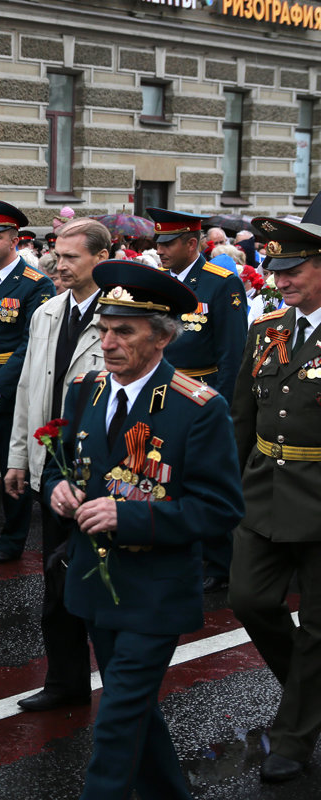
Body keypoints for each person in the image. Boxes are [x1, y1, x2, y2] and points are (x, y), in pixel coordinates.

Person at [46, 260, 243, 800]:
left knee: (115, 723)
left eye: (124, 331)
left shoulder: (197, 408)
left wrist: (127, 515)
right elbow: (59, 465)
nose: (107, 342)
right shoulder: (84, 391)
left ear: (160, 339)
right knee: (135, 711)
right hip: (95, 584)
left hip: (153, 592)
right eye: (104, 329)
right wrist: (58, 492)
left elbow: (220, 508)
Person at [229, 208, 321, 784]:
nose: (279, 280)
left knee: (318, 627)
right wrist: (228, 491)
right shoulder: (268, 329)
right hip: (264, 490)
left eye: (294, 269)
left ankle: (293, 734)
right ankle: (310, 694)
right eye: (275, 269)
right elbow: (243, 416)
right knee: (250, 601)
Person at [4, 217, 109, 713]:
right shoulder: (46, 312)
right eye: (56, 254)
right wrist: (19, 458)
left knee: (105, 578)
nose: (58, 264)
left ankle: (120, 682)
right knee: (55, 575)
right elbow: (29, 390)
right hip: (52, 466)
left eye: (71, 256)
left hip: (103, 470)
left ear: (100, 260)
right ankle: (65, 680)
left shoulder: (118, 315)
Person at [149, 207, 247, 592]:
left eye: (168, 243)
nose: (161, 250)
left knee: (203, 476)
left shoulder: (221, 283)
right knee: (161, 469)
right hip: (161, 391)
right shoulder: (158, 282)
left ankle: (219, 561)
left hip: (202, 393)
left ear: (192, 243)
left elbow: (231, 351)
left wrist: (221, 406)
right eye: (158, 243)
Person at [0, 200, 55, 565]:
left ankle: (12, 540)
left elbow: (30, 344)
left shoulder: (36, 284)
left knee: (12, 465)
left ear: (15, 240)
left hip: (12, 385)